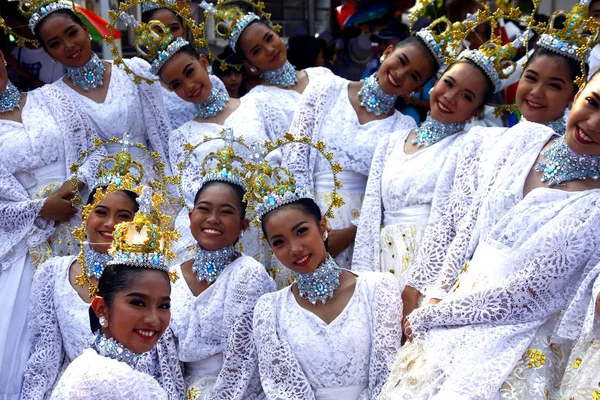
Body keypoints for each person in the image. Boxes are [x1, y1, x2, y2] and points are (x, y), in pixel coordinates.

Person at [380, 20, 600, 400]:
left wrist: (435, 314)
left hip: (513, 349)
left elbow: (527, 296)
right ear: (580, 94)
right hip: (442, 326)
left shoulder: (595, 206)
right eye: (593, 103)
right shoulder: (525, 138)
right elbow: (467, 229)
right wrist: (433, 294)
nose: (593, 123)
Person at [402, 3, 593, 318]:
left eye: (555, 86)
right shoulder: (484, 141)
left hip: (521, 316)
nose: (536, 92)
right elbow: (451, 225)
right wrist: (425, 293)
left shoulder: (588, 180)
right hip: (448, 294)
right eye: (531, 78)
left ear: (576, 94)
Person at [285, 19, 464, 270]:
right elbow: (295, 160)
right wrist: (307, 227)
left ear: (418, 87)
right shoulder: (325, 89)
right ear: (387, 52)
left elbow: (387, 200)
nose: (400, 74)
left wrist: (352, 233)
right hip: (303, 220)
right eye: (401, 61)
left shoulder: (403, 129)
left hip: (359, 237)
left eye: (413, 76)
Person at [353, 28, 519, 282]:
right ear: (434, 85)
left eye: (466, 96)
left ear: (476, 112)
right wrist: (363, 283)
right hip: (379, 269)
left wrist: (423, 288)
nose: (450, 98)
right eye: (448, 84)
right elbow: (369, 220)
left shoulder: (470, 149)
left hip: (429, 275)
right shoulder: (390, 142)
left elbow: (456, 228)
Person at [21, 148, 185, 399]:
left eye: (124, 216)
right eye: (101, 212)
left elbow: (163, 363)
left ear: (137, 223)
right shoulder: (52, 274)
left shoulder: (149, 275)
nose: (110, 224)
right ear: (85, 216)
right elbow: (43, 360)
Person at [248, 140, 402, 399]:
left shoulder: (377, 289)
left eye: (301, 231)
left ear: (322, 226)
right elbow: (282, 389)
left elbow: (388, 376)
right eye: (279, 242)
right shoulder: (270, 310)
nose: (295, 248)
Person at [0, 49, 97, 399]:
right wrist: (41, 208)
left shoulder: (53, 97)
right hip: (26, 243)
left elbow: (95, 149)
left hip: (84, 220)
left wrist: (78, 184)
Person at [49, 187, 181, 399]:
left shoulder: (91, 363)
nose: (153, 318)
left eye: (164, 306)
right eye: (138, 303)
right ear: (102, 308)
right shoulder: (119, 381)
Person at [169, 141, 275, 399]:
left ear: (243, 225)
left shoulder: (248, 274)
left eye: (226, 212)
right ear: (191, 217)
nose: (213, 219)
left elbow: (243, 360)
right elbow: (163, 353)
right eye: (204, 209)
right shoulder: (170, 275)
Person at [21, 0, 171, 177]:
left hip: (154, 189)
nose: (69, 46)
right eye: (55, 44)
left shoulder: (134, 70)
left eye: (72, 33)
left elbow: (163, 137)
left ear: (85, 30)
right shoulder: (51, 99)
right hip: (99, 197)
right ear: (48, 53)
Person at [206, 3, 333, 127]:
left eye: (269, 38)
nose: (270, 50)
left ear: (276, 34)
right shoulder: (256, 102)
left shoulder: (321, 75)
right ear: (249, 63)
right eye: (257, 51)